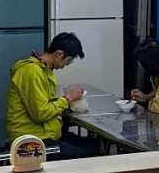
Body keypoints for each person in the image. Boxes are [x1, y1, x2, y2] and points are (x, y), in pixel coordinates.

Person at [6, 32, 97, 160]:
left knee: (92, 144)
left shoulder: (44, 70)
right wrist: (68, 99)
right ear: (59, 54)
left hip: (45, 134)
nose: (66, 65)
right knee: (88, 153)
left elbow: (43, 103)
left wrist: (63, 101)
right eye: (68, 60)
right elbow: (40, 113)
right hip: (31, 142)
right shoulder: (32, 72)